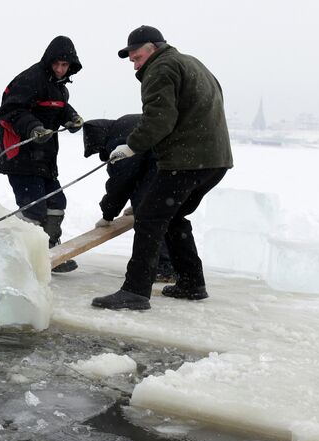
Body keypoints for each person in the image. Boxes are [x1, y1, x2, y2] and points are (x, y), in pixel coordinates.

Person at [92, 25, 233, 310]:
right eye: (131, 59)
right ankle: (192, 283)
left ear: (153, 47)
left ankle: (135, 291)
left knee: (149, 218)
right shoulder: (191, 63)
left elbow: (160, 119)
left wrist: (132, 146)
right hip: (215, 161)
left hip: (187, 161)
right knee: (174, 216)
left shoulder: (160, 68)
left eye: (137, 55)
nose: (134, 62)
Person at [0, 35, 84, 273]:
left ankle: (50, 251)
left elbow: (61, 109)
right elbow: (8, 111)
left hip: (45, 158)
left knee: (57, 202)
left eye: (65, 65)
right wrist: (33, 127)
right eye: (56, 64)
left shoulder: (60, 88)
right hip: (20, 155)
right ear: (48, 62)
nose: (60, 69)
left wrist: (72, 118)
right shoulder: (29, 80)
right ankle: (23, 257)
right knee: (33, 208)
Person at [82, 114, 175, 282]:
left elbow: (121, 180)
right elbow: (138, 173)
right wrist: (137, 204)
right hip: (171, 163)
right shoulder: (126, 124)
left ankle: (163, 266)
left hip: (159, 164)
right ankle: (173, 264)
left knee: (149, 220)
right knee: (163, 215)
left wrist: (108, 214)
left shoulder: (119, 139)